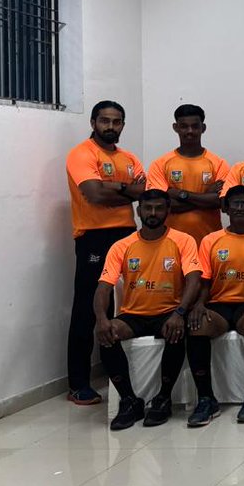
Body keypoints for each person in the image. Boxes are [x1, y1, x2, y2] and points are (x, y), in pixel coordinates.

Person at [94, 190, 202, 430]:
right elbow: (103, 288)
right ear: (138, 211)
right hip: (133, 314)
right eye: (148, 208)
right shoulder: (121, 246)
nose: (153, 213)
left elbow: (194, 280)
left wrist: (180, 313)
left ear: (168, 211)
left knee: (176, 331)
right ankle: (130, 400)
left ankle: (162, 397)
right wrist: (102, 319)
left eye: (159, 208)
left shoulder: (183, 240)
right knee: (105, 333)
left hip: (169, 312)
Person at [65, 100, 146, 404]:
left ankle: (120, 376)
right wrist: (126, 189)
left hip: (126, 234)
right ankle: (78, 383)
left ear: (123, 124)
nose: (111, 127)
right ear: (93, 122)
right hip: (93, 237)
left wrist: (113, 187)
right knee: (89, 307)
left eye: (117, 121)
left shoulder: (129, 158)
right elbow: (94, 194)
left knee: (123, 304)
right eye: (105, 121)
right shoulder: (81, 154)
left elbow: (143, 194)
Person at [186, 186, 244, 426]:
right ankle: (206, 399)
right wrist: (199, 304)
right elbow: (205, 281)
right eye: (235, 204)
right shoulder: (210, 240)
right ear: (225, 209)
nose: (240, 208)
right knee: (195, 327)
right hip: (219, 304)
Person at [146, 104, 228, 242]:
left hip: (209, 242)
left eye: (195, 126)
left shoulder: (218, 163)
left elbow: (220, 202)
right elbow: (161, 206)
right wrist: (205, 196)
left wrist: (177, 194)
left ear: (203, 128)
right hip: (170, 243)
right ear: (175, 127)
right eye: (184, 126)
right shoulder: (160, 164)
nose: (190, 131)